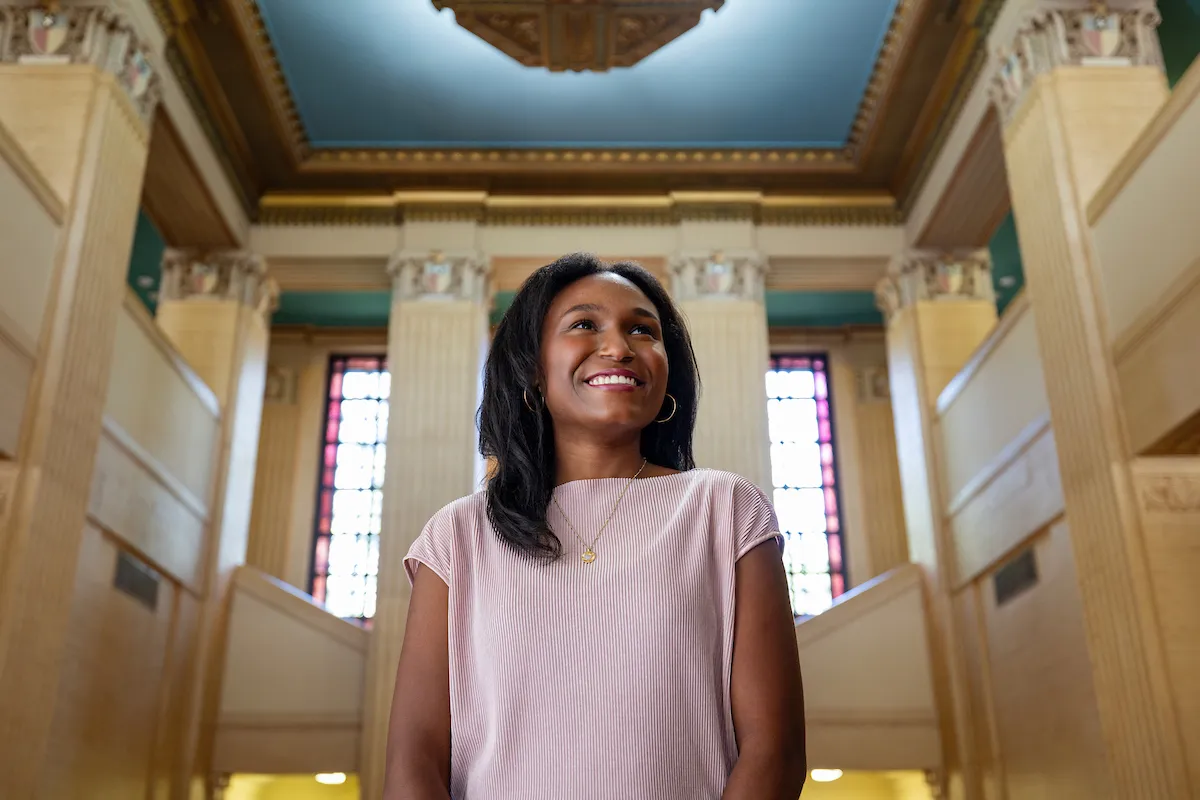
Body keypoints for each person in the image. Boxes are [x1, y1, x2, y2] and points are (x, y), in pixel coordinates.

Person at [384, 253, 807, 799]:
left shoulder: (725, 510)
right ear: (532, 369)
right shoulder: (457, 535)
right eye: (585, 324)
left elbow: (774, 750)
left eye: (642, 330)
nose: (619, 347)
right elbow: (413, 760)